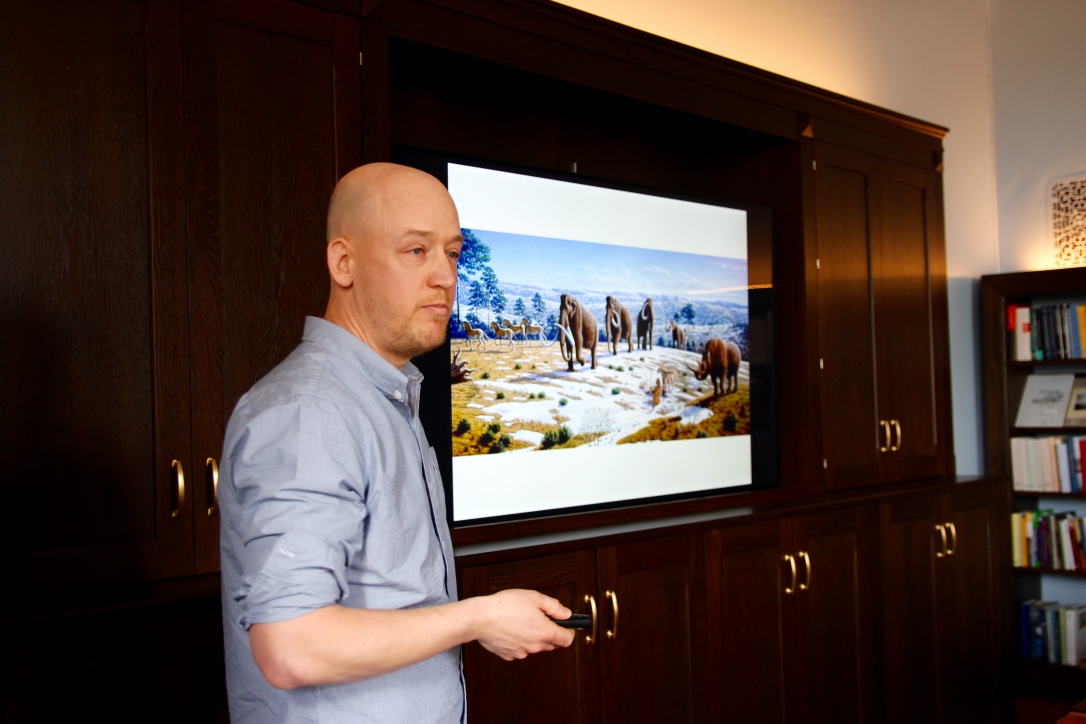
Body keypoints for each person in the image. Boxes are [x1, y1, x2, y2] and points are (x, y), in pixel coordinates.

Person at [219, 163, 575, 723]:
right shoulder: (311, 412)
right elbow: (291, 645)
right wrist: (479, 617)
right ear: (344, 263)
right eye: (416, 251)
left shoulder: (382, 395)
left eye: (452, 254)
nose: (445, 277)